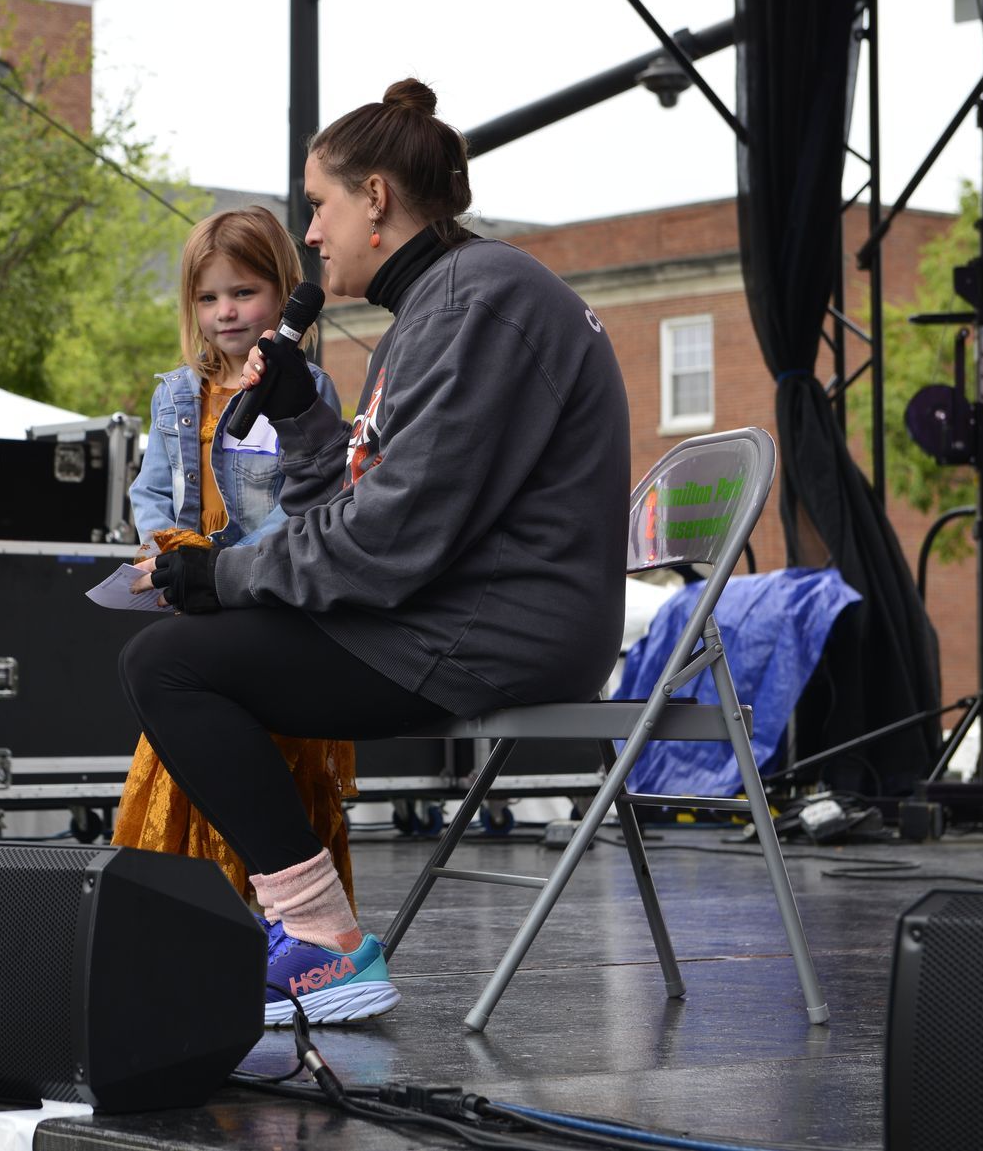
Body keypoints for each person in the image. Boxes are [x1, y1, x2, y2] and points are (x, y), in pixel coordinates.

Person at [123, 79, 630, 1027]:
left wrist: (221, 573)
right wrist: (306, 422)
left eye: (319, 205)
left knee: (171, 663)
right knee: (199, 640)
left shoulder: (479, 305)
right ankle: (303, 929)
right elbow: (362, 512)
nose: (311, 234)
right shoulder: (440, 308)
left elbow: (386, 546)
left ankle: (320, 940)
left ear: (377, 200)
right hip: (458, 610)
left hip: (493, 631)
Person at [117, 206, 349, 905]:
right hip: (197, 590)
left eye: (244, 293)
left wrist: (230, 569)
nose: (225, 312)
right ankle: (186, 924)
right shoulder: (176, 396)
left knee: (268, 760)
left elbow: (305, 502)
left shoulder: (308, 390)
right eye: (209, 297)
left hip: (265, 596)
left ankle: (281, 919)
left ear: (283, 294)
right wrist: (167, 550)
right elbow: (152, 491)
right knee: (178, 751)